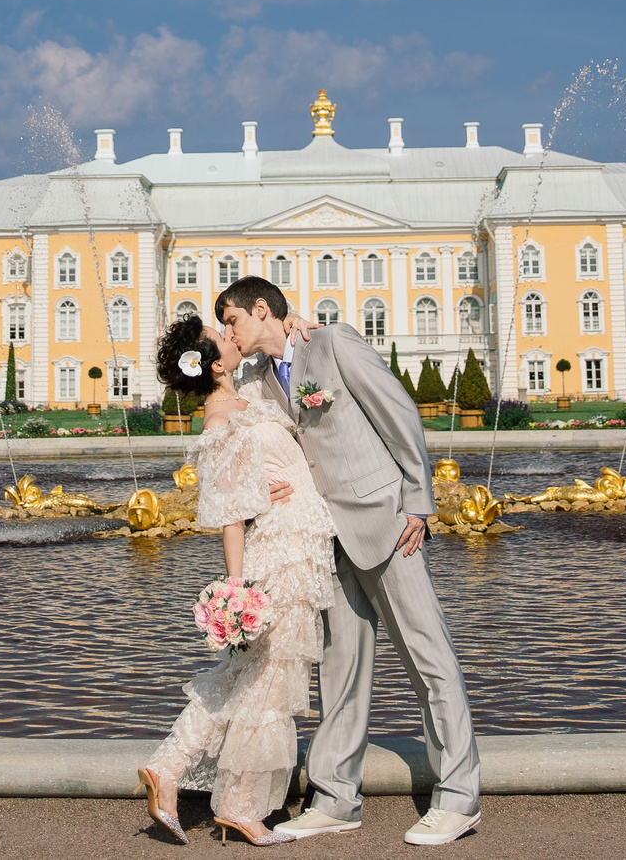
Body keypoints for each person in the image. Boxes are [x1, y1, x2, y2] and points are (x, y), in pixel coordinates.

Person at [217, 277, 481, 847]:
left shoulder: (330, 343)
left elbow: (399, 412)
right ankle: (336, 798)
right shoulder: (257, 377)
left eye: (233, 319)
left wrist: (418, 499)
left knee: (427, 658)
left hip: (386, 522)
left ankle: (459, 798)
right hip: (322, 538)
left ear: (262, 309)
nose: (228, 332)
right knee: (339, 670)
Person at [140, 315, 336, 846]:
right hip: (282, 554)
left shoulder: (244, 388)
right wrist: (237, 588)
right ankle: (241, 807)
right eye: (219, 333)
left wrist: (291, 318)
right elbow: (228, 510)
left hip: (299, 539)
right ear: (214, 363)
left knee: (244, 676)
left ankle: (169, 766)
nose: (229, 333)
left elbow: (266, 337)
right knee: (271, 682)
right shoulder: (220, 414)